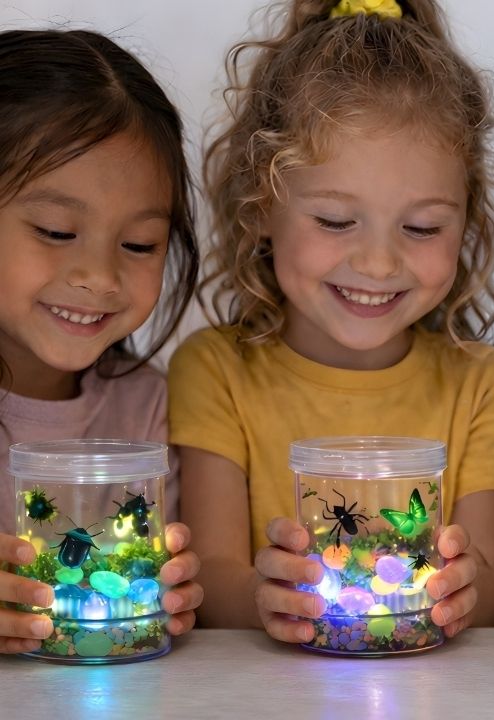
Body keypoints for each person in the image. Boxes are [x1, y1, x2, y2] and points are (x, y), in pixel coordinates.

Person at [169, 0, 494, 642]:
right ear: (260, 205)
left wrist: (466, 590)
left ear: (466, 221)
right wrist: (265, 598)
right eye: (335, 221)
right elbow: (212, 575)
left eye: (423, 227)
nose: (378, 263)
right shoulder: (215, 370)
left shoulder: (480, 381)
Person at [0, 29, 204, 654]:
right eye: (56, 230)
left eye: (139, 244)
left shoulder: (146, 408)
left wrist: (179, 591)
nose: (100, 277)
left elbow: (160, 586)